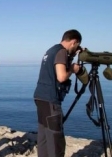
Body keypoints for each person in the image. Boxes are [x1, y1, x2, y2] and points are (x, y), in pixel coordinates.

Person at [33, 29, 85, 157]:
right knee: (56, 139)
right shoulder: (61, 52)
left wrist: (72, 56)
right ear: (74, 42)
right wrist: (72, 69)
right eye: (77, 45)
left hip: (40, 96)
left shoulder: (52, 50)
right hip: (51, 99)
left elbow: (56, 66)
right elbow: (61, 77)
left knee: (44, 136)